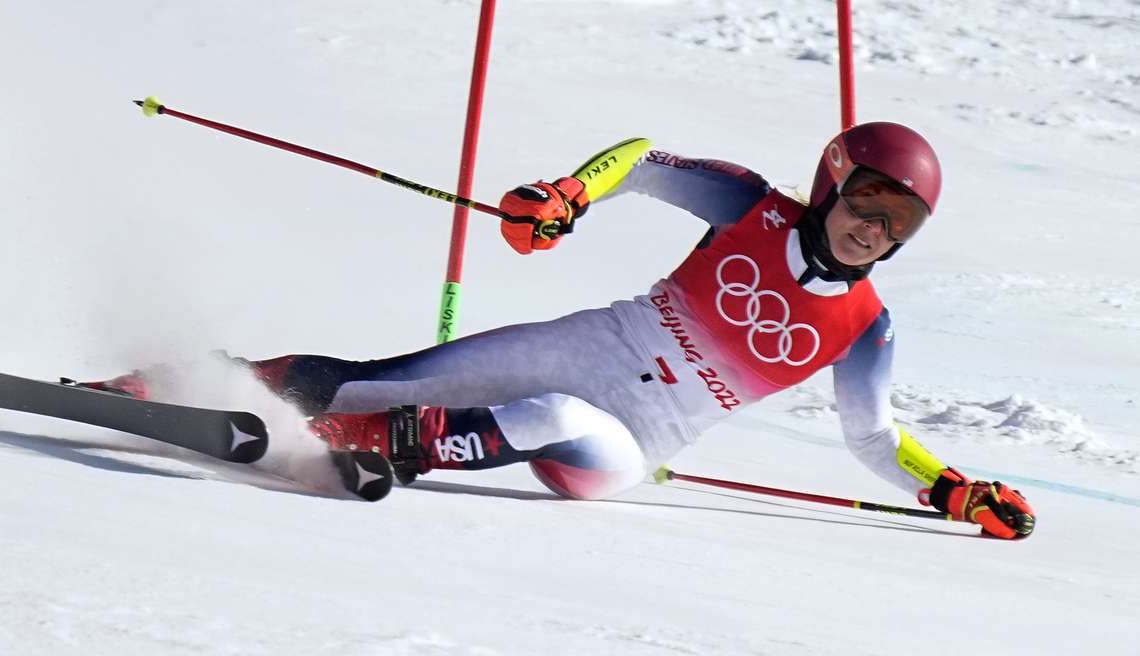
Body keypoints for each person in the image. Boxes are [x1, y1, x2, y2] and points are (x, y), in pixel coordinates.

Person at [88, 122, 1035, 538]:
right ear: (832, 182)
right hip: (598, 344)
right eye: (867, 201)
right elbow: (644, 161)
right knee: (385, 375)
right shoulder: (752, 207)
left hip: (630, 444)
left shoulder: (867, 328)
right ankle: (166, 384)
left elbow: (873, 437)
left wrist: (951, 489)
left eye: (897, 222)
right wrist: (568, 194)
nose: (872, 229)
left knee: (548, 416)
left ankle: (330, 444)